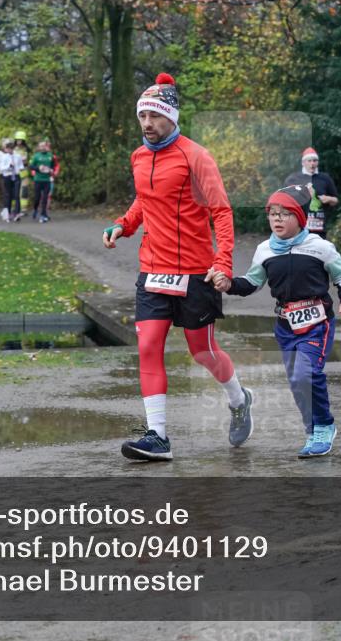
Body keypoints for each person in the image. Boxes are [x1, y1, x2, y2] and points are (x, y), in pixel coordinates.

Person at [103, 72, 252, 462]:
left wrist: (222, 262)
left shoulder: (196, 156)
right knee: (148, 345)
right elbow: (143, 201)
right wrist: (124, 225)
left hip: (195, 272)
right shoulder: (138, 156)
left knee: (202, 352)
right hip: (153, 268)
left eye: (154, 116)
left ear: (171, 116)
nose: (147, 124)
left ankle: (238, 398)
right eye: (142, 117)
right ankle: (158, 436)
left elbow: (221, 212)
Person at [212, 184, 341, 458]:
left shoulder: (320, 247)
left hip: (317, 322)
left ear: (299, 218)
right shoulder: (265, 250)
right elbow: (252, 283)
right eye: (272, 214)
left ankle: (324, 426)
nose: (277, 219)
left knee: (307, 373)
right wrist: (228, 284)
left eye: (284, 214)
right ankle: (313, 431)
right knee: (297, 382)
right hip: (286, 325)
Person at [283, 147, 339, 238]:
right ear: (303, 163)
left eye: (314, 160)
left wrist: (328, 199)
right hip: (299, 228)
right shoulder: (293, 179)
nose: (312, 164)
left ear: (318, 162)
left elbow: (335, 200)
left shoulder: (325, 178)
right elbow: (284, 201)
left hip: (319, 228)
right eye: (309, 161)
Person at [29, 141, 58, 223]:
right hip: (38, 180)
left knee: (45, 198)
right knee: (37, 198)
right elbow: (31, 166)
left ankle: (43, 214)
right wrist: (38, 168)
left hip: (47, 180)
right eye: (41, 146)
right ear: (38, 148)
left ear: (46, 147)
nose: (42, 148)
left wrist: (52, 170)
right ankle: (35, 209)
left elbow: (54, 165)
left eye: (44, 146)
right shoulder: (36, 156)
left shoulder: (50, 156)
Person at [0, 138, 23, 221]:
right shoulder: (4, 157)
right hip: (7, 176)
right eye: (8, 148)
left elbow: (21, 166)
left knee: (17, 195)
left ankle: (17, 213)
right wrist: (9, 166)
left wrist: (19, 168)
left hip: (16, 176)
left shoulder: (17, 156)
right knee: (8, 195)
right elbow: (1, 168)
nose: (9, 150)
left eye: (11, 148)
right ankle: (8, 212)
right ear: (6, 149)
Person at [14, 131, 31, 219]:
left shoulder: (27, 150)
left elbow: (27, 161)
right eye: (17, 140)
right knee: (15, 192)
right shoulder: (13, 149)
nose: (19, 142)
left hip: (24, 173)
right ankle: (15, 209)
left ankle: (24, 209)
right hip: (15, 173)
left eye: (21, 140)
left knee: (24, 192)